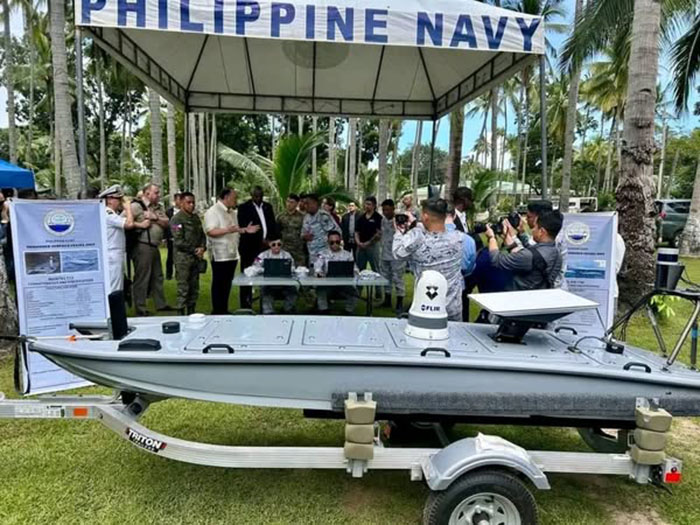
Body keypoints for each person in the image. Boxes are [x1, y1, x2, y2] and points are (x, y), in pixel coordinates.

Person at [393, 198, 476, 321]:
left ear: (425, 216)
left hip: (425, 307)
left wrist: (399, 232)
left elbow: (397, 253)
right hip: (452, 308)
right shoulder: (459, 238)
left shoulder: (417, 238)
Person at [204, 188, 259, 314]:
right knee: (219, 283)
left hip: (232, 253)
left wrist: (245, 230)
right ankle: (217, 311)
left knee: (227, 283)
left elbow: (235, 229)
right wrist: (228, 230)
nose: (236, 201)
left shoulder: (232, 213)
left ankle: (224, 309)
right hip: (220, 254)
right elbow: (210, 231)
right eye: (234, 198)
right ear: (226, 197)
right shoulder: (213, 212)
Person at [487, 210, 564, 291]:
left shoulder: (528, 256)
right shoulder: (557, 254)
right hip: (540, 294)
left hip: (519, 296)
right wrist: (518, 235)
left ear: (542, 231)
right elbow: (532, 252)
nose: (532, 230)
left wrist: (491, 238)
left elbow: (496, 260)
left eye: (535, 227)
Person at [130, 183, 173, 315]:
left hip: (154, 245)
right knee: (143, 278)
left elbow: (167, 223)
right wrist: (140, 224)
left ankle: (161, 304)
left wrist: (155, 217)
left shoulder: (158, 207)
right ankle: (140, 308)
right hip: (142, 245)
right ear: (147, 193)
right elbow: (124, 222)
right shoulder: (136, 206)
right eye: (156, 192)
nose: (159, 195)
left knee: (157, 276)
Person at [99, 185, 150, 293]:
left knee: (117, 283)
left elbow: (123, 223)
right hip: (112, 253)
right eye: (118, 199)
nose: (120, 202)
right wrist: (128, 208)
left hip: (115, 252)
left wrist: (140, 224)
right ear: (109, 200)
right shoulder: (107, 213)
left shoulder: (112, 213)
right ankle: (113, 303)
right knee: (114, 286)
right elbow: (129, 224)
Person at [237, 186, 277, 309]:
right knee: (247, 275)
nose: (258, 198)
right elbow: (244, 228)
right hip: (249, 248)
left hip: (266, 246)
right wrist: (260, 239)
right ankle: (246, 304)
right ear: (251, 195)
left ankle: (265, 304)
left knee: (266, 275)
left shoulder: (268, 207)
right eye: (255, 196)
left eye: (260, 195)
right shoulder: (244, 208)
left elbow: (272, 225)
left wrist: (270, 240)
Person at [516, 200, 568, 289]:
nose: (526, 220)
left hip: (553, 289)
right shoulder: (545, 232)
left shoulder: (552, 236)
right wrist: (521, 234)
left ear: (538, 218)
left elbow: (536, 256)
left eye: (529, 217)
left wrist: (513, 240)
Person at [170, 192, 206, 315]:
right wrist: (194, 249)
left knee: (194, 287)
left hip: (195, 258)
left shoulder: (195, 218)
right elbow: (178, 240)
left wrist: (202, 247)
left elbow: (202, 235)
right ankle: (181, 313)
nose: (191, 205)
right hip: (183, 259)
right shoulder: (177, 219)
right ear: (181, 203)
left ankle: (192, 312)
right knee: (183, 288)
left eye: (193, 202)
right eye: (188, 202)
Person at [252, 233, 298, 314]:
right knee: (266, 292)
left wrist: (285, 269)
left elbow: (293, 267)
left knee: (293, 291)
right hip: (268, 283)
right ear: (269, 245)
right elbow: (255, 266)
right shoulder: (262, 255)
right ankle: (268, 312)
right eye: (274, 244)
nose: (276, 246)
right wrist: (265, 270)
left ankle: (287, 310)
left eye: (279, 244)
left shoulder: (287, 255)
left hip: (284, 283)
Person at [314, 231, 358, 314]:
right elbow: (317, 267)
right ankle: (324, 311)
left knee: (354, 292)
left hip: (344, 284)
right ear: (328, 242)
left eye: (337, 242)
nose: (335, 244)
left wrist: (354, 273)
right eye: (332, 242)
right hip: (328, 284)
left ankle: (348, 312)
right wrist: (319, 272)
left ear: (340, 241)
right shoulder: (322, 254)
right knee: (320, 290)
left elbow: (355, 269)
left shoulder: (348, 255)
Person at [379, 199, 406, 314]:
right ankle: (387, 299)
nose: (386, 212)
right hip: (385, 253)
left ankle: (399, 302)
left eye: (388, 210)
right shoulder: (383, 220)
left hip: (396, 255)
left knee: (397, 278)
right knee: (386, 277)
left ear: (393, 209)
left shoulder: (399, 220)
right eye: (384, 210)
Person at [302, 193, 341, 264]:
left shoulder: (324, 216)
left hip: (326, 255)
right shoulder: (306, 217)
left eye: (307, 203)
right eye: (304, 204)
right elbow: (303, 233)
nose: (305, 206)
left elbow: (337, 233)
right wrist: (304, 236)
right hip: (312, 255)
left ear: (314, 203)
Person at [355, 197, 382, 276]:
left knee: (376, 268)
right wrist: (358, 242)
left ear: (374, 206)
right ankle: (359, 283)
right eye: (366, 204)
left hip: (373, 246)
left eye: (369, 204)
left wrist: (368, 243)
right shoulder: (361, 217)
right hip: (361, 246)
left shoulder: (378, 217)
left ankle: (378, 284)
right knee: (360, 269)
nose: (366, 206)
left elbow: (379, 233)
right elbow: (356, 232)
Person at [277, 193, 306, 267]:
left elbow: (305, 231)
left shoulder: (302, 217)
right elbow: (276, 232)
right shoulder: (280, 216)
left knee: (300, 270)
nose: (289, 204)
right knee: (284, 269)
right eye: (287, 201)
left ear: (297, 203)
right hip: (284, 249)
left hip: (298, 250)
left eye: (291, 202)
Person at [165, 191, 182, 281]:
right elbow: (168, 225)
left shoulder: (184, 211)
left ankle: (179, 273)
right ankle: (169, 274)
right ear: (175, 200)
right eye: (179, 199)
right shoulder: (169, 212)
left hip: (181, 237)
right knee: (170, 256)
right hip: (171, 237)